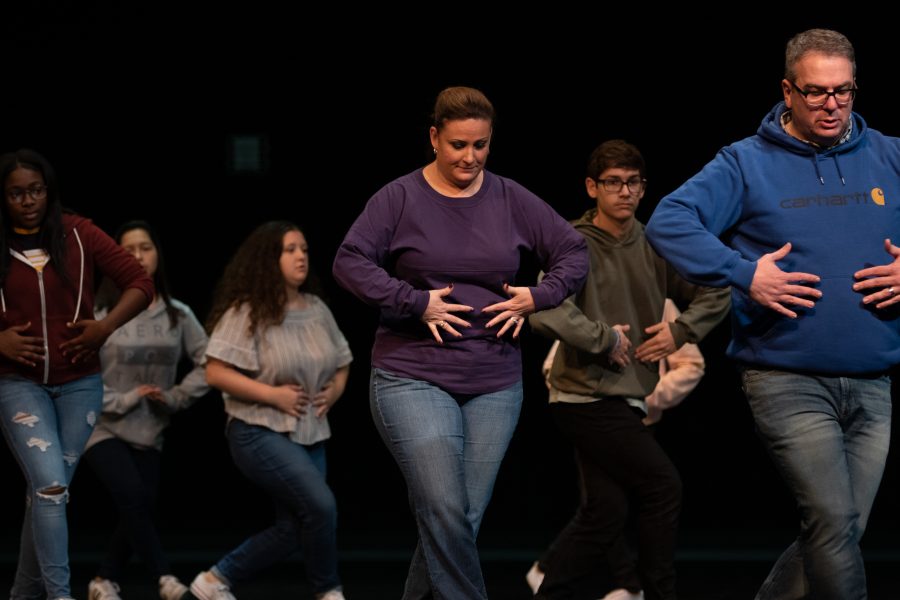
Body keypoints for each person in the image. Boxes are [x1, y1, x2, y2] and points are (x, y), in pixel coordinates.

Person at [645, 29, 899, 600]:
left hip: (872, 377)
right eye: (815, 92)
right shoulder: (744, 163)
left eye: (843, 91)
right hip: (785, 375)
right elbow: (668, 221)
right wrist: (743, 271)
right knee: (834, 524)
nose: (831, 104)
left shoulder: (890, 155)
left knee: (838, 528)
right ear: (787, 90)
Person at [332, 85, 588, 599]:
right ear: (434, 138)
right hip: (412, 373)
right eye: (458, 145)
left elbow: (573, 252)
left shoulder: (511, 197)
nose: (470, 157)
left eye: (480, 145)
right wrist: (413, 301)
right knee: (445, 509)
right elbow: (349, 261)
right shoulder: (400, 197)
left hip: (493, 379)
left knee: (460, 521)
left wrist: (538, 296)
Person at [529, 140, 730, 600]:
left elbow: (716, 289)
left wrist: (680, 332)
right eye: (613, 183)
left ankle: (550, 587)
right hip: (582, 394)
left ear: (643, 189)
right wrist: (604, 338)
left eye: (633, 183)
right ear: (592, 187)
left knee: (606, 511)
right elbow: (542, 309)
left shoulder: (655, 243)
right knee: (663, 486)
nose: (624, 192)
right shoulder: (573, 242)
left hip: (629, 396)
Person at [0, 149, 154, 600]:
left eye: (36, 190)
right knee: (49, 487)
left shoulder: (78, 233)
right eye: (16, 193)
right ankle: (61, 595)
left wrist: (105, 328)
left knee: (50, 493)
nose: (28, 201)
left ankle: (23, 594)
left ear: (49, 191)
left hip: (79, 384)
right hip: (17, 384)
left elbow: (140, 282)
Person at [189, 221, 351, 600]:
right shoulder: (247, 312)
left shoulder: (316, 309)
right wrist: (272, 395)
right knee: (322, 507)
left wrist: (336, 390)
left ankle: (214, 582)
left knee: (299, 524)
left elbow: (343, 360)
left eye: (305, 250)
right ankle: (329, 591)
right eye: (290, 249)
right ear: (268, 259)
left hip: (311, 429)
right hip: (256, 428)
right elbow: (214, 372)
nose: (301, 257)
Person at [527, 299, 705, 598]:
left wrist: (649, 396)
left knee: (610, 507)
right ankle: (623, 583)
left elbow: (691, 364)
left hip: (639, 421)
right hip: (595, 418)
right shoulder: (590, 302)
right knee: (608, 506)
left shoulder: (659, 303)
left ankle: (563, 573)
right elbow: (550, 366)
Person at [82, 220, 209, 600]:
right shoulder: (101, 310)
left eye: (146, 247)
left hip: (150, 428)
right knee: (134, 496)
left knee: (139, 505)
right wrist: (127, 396)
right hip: (101, 423)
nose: (138, 256)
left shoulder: (177, 314)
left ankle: (104, 579)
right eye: (128, 249)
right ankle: (165, 580)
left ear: (158, 255)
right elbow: (79, 375)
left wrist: (175, 397)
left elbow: (210, 363)